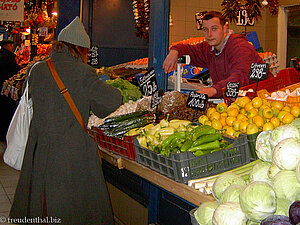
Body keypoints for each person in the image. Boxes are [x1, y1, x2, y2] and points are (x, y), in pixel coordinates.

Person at [9, 16, 122, 224]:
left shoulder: (36, 70)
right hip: (72, 156)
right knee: (73, 209)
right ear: (80, 49)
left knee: (41, 204)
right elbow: (111, 102)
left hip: (39, 151)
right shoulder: (83, 72)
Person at [163, 11, 272, 97]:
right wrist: (175, 51)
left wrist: (214, 89)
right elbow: (190, 50)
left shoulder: (239, 47)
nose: (209, 34)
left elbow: (240, 76)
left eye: (214, 29)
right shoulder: (209, 47)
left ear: (225, 28)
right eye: (205, 30)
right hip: (230, 99)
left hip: (258, 98)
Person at [0, 39, 20, 141]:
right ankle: (5, 133)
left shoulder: (4, 56)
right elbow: (15, 71)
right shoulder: (8, 58)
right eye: (11, 45)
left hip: (3, 89)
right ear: (6, 46)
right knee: (7, 112)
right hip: (7, 90)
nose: (12, 47)